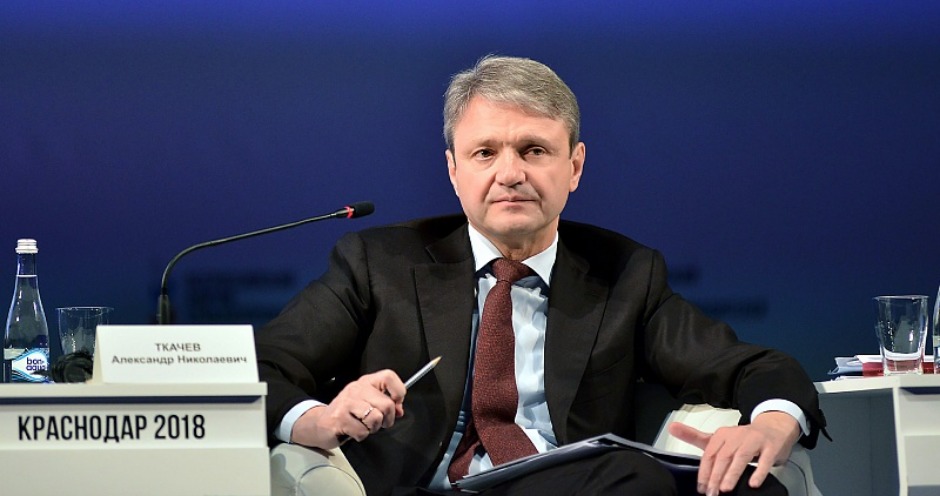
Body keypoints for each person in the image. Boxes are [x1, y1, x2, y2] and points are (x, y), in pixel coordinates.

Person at [255, 55, 826, 496]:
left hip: (577, 483)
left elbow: (751, 365)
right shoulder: (377, 264)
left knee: (747, 487)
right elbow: (261, 369)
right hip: (429, 488)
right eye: (485, 153)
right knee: (633, 478)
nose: (510, 173)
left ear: (574, 166)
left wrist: (772, 424)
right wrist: (319, 419)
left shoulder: (625, 274)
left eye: (533, 150)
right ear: (453, 171)